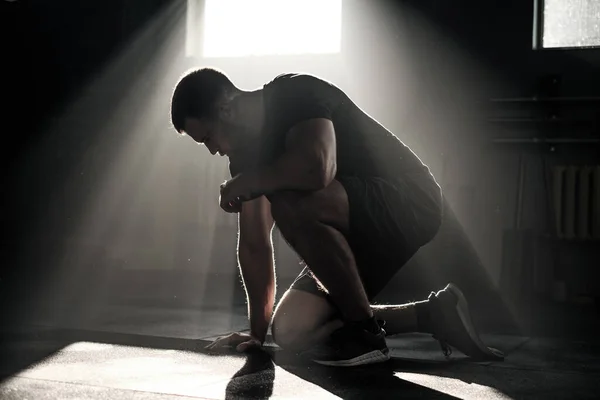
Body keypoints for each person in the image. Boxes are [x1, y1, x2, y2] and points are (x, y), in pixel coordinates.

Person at [170, 68, 504, 366]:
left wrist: (249, 181)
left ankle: (365, 333)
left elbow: (317, 168)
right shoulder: (244, 158)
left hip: (411, 199)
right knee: (291, 330)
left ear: (226, 109)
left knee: (291, 202)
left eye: (208, 138)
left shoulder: (294, 93)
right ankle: (432, 315)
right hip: (350, 224)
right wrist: (257, 334)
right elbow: (256, 243)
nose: (212, 150)